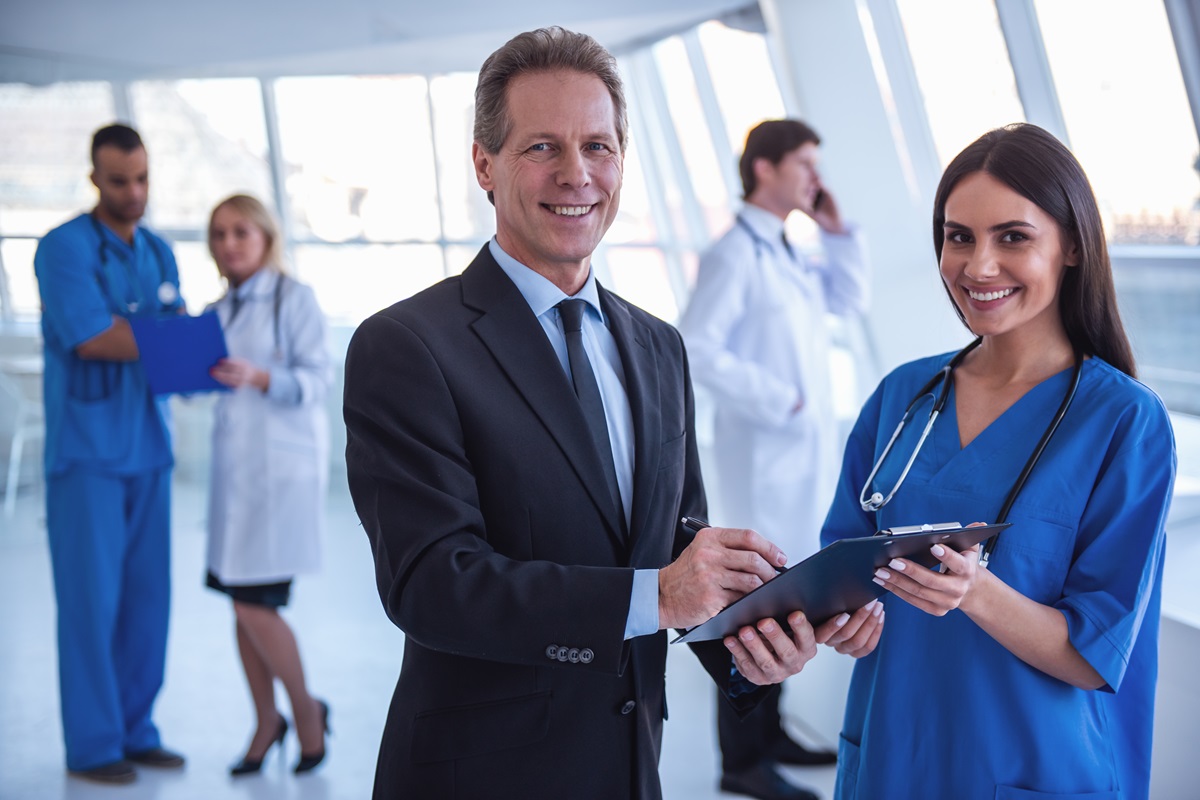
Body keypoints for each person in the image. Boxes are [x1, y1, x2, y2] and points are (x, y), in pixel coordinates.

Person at [343, 27, 876, 800]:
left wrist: (770, 628)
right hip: (480, 776)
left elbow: (677, 545)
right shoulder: (408, 346)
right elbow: (432, 584)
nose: (576, 175)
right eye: (541, 149)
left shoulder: (657, 346)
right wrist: (657, 595)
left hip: (628, 770)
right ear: (484, 164)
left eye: (598, 146)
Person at [820, 123, 1175, 800]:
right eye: (959, 237)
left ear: (1072, 245)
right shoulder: (903, 395)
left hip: (1030, 766)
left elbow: (1096, 655)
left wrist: (975, 593)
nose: (978, 266)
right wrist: (840, 622)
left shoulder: (1123, 421)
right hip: (893, 755)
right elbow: (844, 568)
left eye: (1013, 237)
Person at [679, 119, 868, 800]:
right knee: (749, 611)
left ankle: (772, 733)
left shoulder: (787, 251)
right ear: (764, 168)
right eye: (806, 164)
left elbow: (850, 300)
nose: (816, 178)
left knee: (784, 602)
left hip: (796, 464)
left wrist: (840, 233)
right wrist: (780, 401)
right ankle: (743, 761)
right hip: (761, 461)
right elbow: (694, 346)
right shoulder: (734, 254)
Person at [33, 123, 186, 784]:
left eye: (143, 178)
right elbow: (93, 338)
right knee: (91, 605)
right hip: (87, 458)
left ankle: (137, 729)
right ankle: (95, 746)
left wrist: (172, 342)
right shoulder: (62, 249)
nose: (134, 192)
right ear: (95, 179)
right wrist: (177, 340)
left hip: (149, 449)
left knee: (149, 602)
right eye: (120, 181)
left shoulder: (157, 251)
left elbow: (177, 350)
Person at [203, 194, 332, 776]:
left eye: (240, 232)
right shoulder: (218, 311)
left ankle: (306, 714)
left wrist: (261, 377)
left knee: (258, 608)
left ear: (265, 237)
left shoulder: (293, 299)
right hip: (237, 477)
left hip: (281, 479)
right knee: (239, 606)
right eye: (219, 234)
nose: (228, 243)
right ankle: (264, 721)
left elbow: (316, 381)